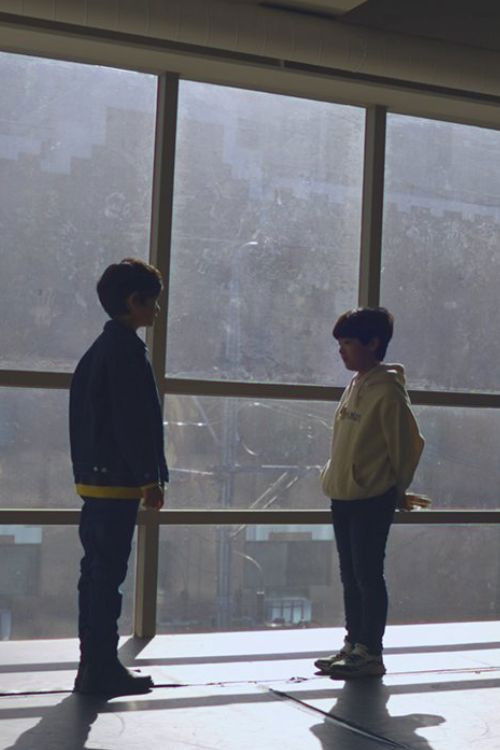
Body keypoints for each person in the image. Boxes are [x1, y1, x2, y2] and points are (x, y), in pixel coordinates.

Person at [69, 258, 169, 695]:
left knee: (94, 574)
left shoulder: (97, 351)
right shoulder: (127, 352)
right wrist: (150, 478)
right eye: (153, 302)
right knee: (108, 578)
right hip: (118, 482)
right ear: (135, 302)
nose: (157, 311)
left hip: (94, 481)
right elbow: (134, 421)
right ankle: (103, 670)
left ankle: (91, 665)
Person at [314, 307, 424, 679]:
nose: (341, 351)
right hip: (344, 494)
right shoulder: (355, 383)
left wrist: (396, 488)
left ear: (373, 343)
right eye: (340, 343)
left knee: (368, 575)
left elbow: (407, 445)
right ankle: (354, 642)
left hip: (370, 497)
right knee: (350, 575)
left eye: (348, 343)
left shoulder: (388, 391)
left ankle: (370, 651)